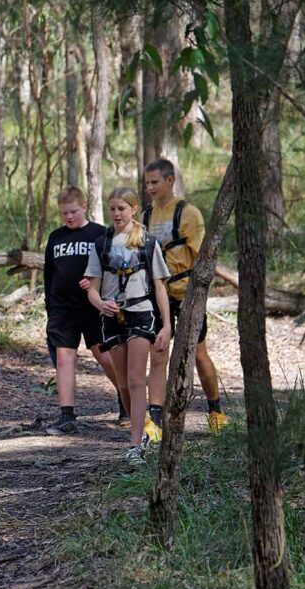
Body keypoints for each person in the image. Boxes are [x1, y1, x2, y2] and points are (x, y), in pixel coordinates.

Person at [85, 188, 171, 467]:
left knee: (136, 379)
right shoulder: (101, 244)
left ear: (134, 209)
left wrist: (166, 325)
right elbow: (92, 289)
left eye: (121, 208)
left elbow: (160, 286)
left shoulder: (148, 243)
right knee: (123, 383)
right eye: (112, 208)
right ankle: (141, 424)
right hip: (111, 316)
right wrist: (100, 305)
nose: (116, 214)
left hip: (141, 314)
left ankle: (135, 445)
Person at [142, 158, 227, 438]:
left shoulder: (189, 214)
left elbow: (203, 257)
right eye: (147, 183)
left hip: (187, 294)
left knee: (199, 354)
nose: (150, 188)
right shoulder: (145, 217)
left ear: (170, 180)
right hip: (157, 295)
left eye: (155, 182)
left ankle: (216, 411)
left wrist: (198, 294)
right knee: (158, 354)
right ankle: (154, 419)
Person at [43, 187, 124, 433]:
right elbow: (50, 274)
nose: (69, 217)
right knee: (64, 358)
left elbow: (113, 269)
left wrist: (96, 284)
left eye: (73, 211)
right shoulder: (56, 237)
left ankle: (126, 398)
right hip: (63, 308)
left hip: (94, 307)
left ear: (84, 207)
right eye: (64, 213)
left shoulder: (99, 234)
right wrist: (50, 305)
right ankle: (66, 415)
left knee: (105, 356)